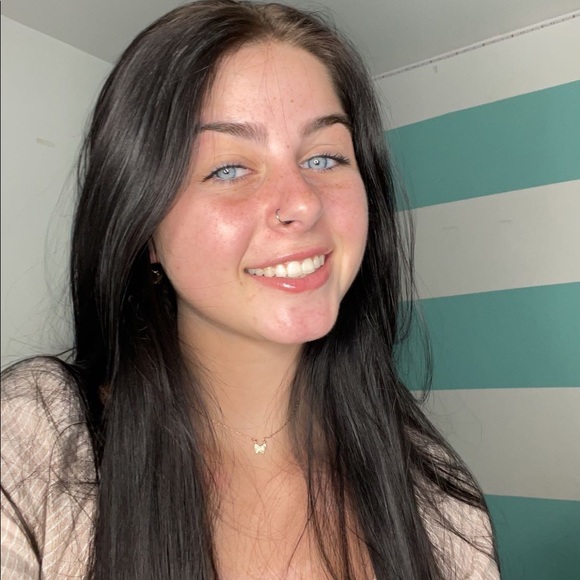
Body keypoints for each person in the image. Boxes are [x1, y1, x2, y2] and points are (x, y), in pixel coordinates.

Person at [1, 1, 501, 578]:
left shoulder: (438, 496)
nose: (303, 203)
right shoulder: (38, 440)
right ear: (144, 227)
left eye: (324, 158)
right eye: (229, 169)